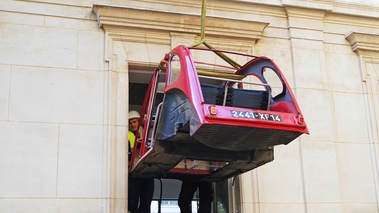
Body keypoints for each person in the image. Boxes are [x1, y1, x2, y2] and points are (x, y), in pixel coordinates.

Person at [128, 110, 155, 213]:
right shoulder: (128, 135)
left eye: (134, 122)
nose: (132, 124)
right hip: (134, 175)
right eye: (130, 123)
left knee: (146, 203)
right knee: (133, 203)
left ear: (139, 122)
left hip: (148, 174)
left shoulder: (149, 134)